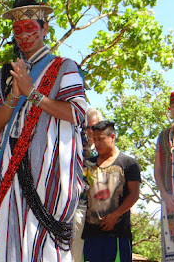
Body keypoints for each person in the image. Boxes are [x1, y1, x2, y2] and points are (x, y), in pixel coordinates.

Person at [0, 0, 87, 260]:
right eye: (17, 30)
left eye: (30, 28)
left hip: (51, 168)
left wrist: (32, 94)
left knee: (48, 246)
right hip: (12, 163)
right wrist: (14, 94)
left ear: (44, 28)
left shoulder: (65, 67)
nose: (24, 36)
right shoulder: (4, 74)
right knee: (14, 242)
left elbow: (76, 113)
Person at [82, 121, 141, 262]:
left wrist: (115, 215)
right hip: (91, 235)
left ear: (112, 137)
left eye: (100, 139)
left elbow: (134, 194)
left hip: (118, 235)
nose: (97, 143)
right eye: (94, 139)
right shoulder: (88, 164)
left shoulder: (129, 163)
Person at [154, 89, 174, 262]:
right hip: (169, 202)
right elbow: (157, 169)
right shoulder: (164, 136)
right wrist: (165, 195)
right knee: (171, 251)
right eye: (173, 106)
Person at [72, 107, 103, 262]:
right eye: (87, 127)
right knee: (75, 255)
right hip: (78, 208)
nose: (91, 131)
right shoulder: (76, 146)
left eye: (95, 127)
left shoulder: (107, 151)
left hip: (100, 213)